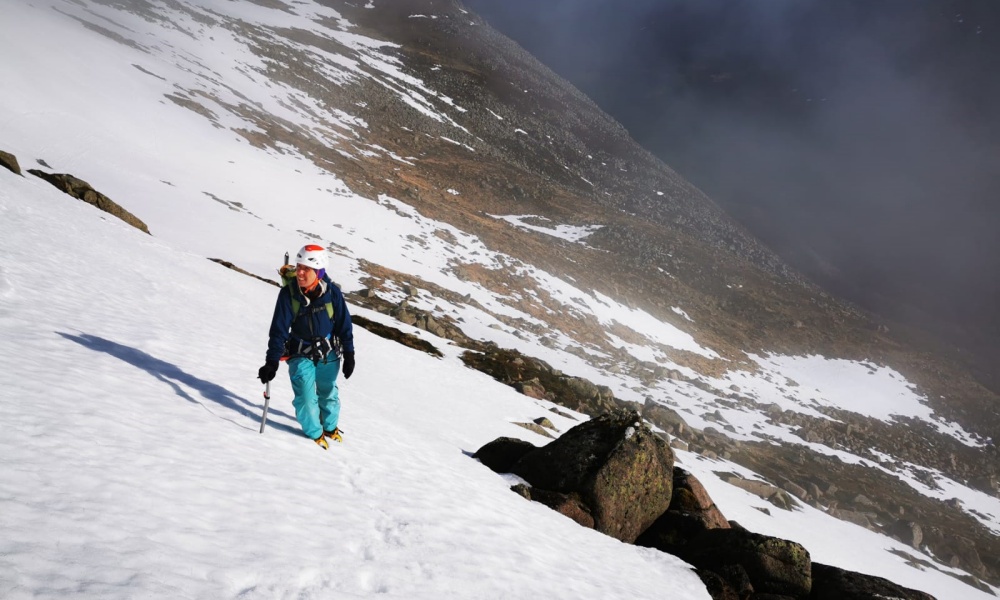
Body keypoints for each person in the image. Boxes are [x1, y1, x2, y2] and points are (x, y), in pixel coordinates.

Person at [258, 244, 356, 449]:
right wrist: (271, 362)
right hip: (299, 353)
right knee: (306, 396)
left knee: (328, 392)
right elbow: (278, 330)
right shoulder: (288, 295)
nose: (300, 272)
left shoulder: (333, 294)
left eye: (306, 269)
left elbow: (344, 324)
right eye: (299, 266)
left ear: (319, 272)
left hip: (328, 353)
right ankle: (314, 433)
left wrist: (349, 353)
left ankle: (330, 427)